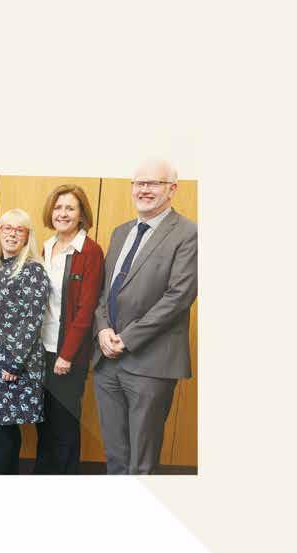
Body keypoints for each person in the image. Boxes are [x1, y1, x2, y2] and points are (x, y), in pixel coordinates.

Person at [91, 159, 198, 474]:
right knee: (115, 455)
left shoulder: (189, 233)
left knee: (142, 461)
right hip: (107, 361)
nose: (144, 190)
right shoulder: (121, 232)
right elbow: (104, 291)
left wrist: (127, 338)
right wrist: (102, 330)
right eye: (139, 183)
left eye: (153, 183)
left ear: (172, 189)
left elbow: (179, 297)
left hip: (151, 364)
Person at [34, 184, 105, 474]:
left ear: (81, 214)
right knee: (43, 419)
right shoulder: (47, 246)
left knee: (64, 422)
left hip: (67, 352)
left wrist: (66, 355)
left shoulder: (90, 251)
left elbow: (86, 310)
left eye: (70, 208)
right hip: (40, 348)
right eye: (58, 207)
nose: (62, 214)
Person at [0, 210, 49, 474]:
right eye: (7, 228)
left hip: (14, 363)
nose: (12, 234)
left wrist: (15, 363)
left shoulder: (33, 270)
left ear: (28, 236)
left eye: (19, 230)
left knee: (1, 427)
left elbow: (32, 320)